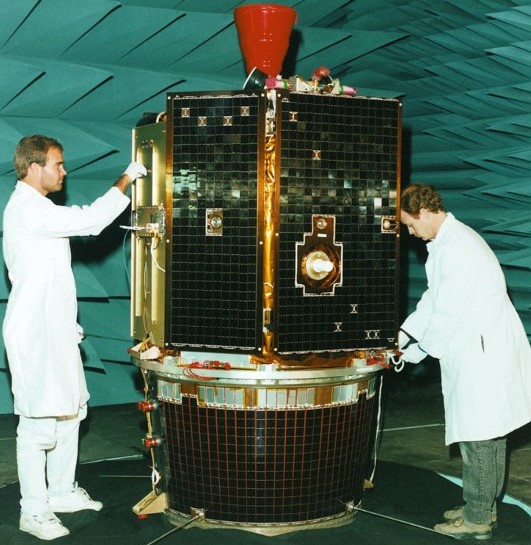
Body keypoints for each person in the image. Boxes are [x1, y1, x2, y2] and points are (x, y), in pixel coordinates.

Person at [3, 134, 146, 541]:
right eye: (58, 164)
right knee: (36, 426)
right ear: (35, 167)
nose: (64, 171)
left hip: (57, 329)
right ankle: (33, 510)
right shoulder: (27, 210)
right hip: (33, 334)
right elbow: (91, 219)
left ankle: (61, 491)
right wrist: (126, 178)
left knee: (70, 413)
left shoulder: (40, 208)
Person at [398, 183, 531, 541]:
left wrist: (420, 348)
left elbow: (448, 312)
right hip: (476, 349)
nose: (410, 232)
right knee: (483, 435)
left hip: (483, 354)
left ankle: (477, 517)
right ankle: (481, 506)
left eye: (410, 224)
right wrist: (405, 341)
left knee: (480, 436)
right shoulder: (443, 245)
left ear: (424, 213)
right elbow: (432, 299)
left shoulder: (458, 246)